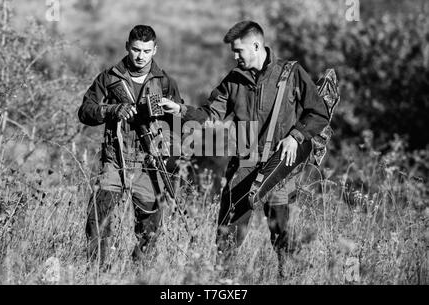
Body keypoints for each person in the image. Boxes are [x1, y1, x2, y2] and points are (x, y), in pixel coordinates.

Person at [159, 20, 329, 276]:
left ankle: (289, 276)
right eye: (233, 52)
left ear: (257, 45)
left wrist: (296, 136)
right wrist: (181, 110)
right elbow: (210, 114)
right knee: (227, 229)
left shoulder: (291, 73)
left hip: (280, 164)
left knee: (280, 228)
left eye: (239, 51)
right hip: (244, 160)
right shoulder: (233, 80)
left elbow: (318, 113)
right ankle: (223, 281)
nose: (235, 56)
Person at [78, 25, 183, 266]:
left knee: (149, 227)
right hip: (115, 160)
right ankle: (98, 272)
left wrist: (168, 153)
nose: (140, 56)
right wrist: (112, 109)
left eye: (146, 50)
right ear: (127, 46)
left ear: (155, 49)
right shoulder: (109, 77)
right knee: (98, 216)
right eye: (136, 49)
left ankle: (139, 272)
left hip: (149, 164)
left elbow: (177, 122)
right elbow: (85, 111)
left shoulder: (165, 83)